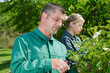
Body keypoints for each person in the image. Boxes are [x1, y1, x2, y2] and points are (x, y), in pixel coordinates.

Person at [10, 3, 70, 73]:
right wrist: (49, 64)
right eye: (56, 19)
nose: (60, 24)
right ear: (44, 16)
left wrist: (79, 68)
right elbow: (17, 69)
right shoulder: (23, 41)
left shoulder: (61, 47)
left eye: (62, 21)